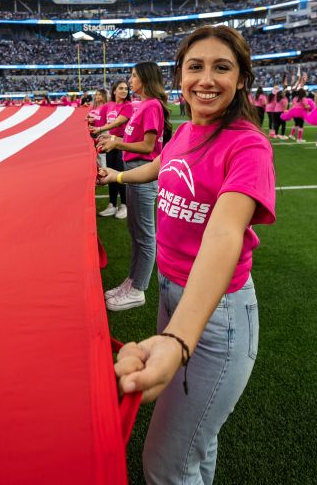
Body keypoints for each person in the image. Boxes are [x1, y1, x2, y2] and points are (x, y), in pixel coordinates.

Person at [99, 25, 275, 484]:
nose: (206, 79)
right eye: (195, 67)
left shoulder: (248, 145)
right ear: (180, 77)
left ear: (241, 80)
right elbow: (161, 166)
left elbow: (224, 234)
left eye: (222, 67)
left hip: (218, 314)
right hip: (172, 294)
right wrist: (114, 178)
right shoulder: (185, 134)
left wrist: (178, 338)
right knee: (198, 444)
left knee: (165, 465)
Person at [97, 62, 171, 311]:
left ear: (146, 79)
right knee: (136, 232)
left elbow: (148, 147)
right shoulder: (143, 105)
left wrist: (117, 145)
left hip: (142, 173)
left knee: (144, 235)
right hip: (133, 171)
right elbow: (135, 138)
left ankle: (138, 289)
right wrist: (115, 138)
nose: (130, 80)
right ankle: (131, 281)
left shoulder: (151, 106)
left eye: (134, 76)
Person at [91, 80, 134, 219]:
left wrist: (100, 129)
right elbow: (98, 119)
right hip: (110, 142)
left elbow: (117, 122)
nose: (124, 91)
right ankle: (112, 204)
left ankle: (125, 205)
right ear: (114, 91)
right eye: (120, 88)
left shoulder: (128, 106)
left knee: (120, 174)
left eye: (126, 88)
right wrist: (88, 120)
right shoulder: (108, 105)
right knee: (109, 173)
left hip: (123, 142)